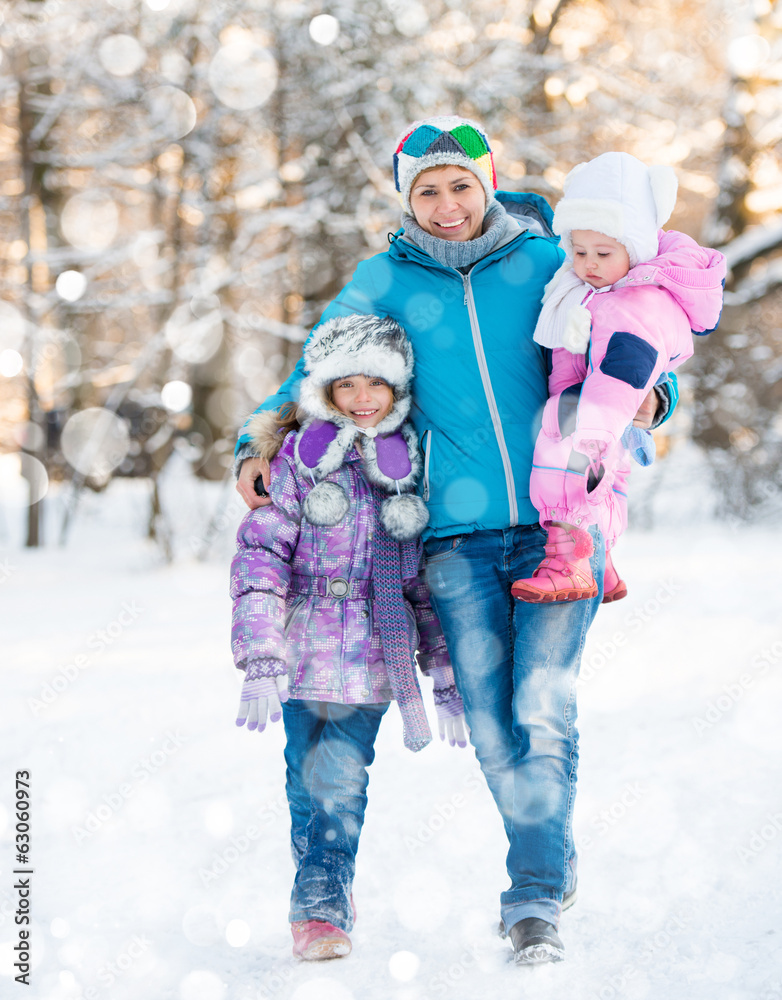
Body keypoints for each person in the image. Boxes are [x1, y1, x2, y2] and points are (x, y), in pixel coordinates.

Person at [234, 116, 677, 965]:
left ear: (488, 183)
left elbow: (639, 330)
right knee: (492, 722)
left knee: (541, 707)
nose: (447, 204)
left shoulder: (548, 262)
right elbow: (315, 364)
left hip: (561, 528)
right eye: (428, 190)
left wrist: (656, 401)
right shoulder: (384, 279)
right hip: (456, 541)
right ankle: (547, 849)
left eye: (461, 186)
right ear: (407, 198)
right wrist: (258, 440)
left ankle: (532, 897)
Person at [230, 313, 467, 962]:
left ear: (397, 390)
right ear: (326, 391)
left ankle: (320, 907)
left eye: (376, 384)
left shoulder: (406, 468)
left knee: (339, 780)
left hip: (373, 655)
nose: (363, 398)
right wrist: (261, 655)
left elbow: (422, 584)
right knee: (302, 781)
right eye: (348, 385)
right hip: (301, 650)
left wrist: (444, 674)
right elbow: (260, 559)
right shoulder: (297, 462)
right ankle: (322, 875)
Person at [511, 152, 726, 604]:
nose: (588, 263)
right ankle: (602, 560)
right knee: (603, 484)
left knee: (563, 461)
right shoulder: (597, 292)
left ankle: (569, 563)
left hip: (596, 418)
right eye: (579, 252)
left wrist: (591, 431)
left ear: (636, 249)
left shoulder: (632, 304)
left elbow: (622, 374)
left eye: (603, 253)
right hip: (602, 420)